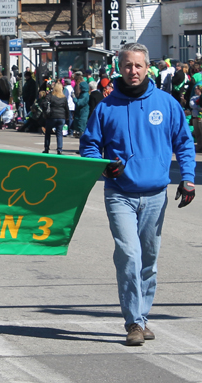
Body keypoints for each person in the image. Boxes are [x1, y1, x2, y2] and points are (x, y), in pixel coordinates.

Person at [80, 43, 196, 346]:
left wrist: (188, 178)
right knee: (129, 255)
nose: (133, 71)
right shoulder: (105, 107)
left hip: (156, 194)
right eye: (128, 65)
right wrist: (103, 167)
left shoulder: (166, 103)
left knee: (149, 260)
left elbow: (184, 143)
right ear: (120, 68)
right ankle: (132, 322)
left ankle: (142, 318)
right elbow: (90, 146)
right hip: (119, 193)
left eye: (139, 66)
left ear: (148, 68)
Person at [42, 82, 68, 155]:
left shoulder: (50, 95)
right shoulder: (63, 97)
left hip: (51, 116)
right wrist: (67, 117)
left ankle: (46, 148)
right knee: (59, 133)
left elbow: (44, 103)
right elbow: (66, 108)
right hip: (61, 117)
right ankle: (59, 149)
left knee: (48, 133)